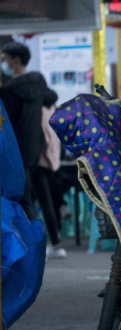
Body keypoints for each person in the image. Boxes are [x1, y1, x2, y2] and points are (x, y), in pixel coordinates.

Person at [0, 41, 66, 258]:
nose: (4, 63)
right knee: (43, 199)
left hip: (17, 152)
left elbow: (6, 122)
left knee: (23, 200)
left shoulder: (9, 90)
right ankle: (55, 244)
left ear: (15, 60)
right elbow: (51, 97)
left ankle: (32, 247)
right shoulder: (38, 81)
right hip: (38, 148)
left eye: (5, 58)